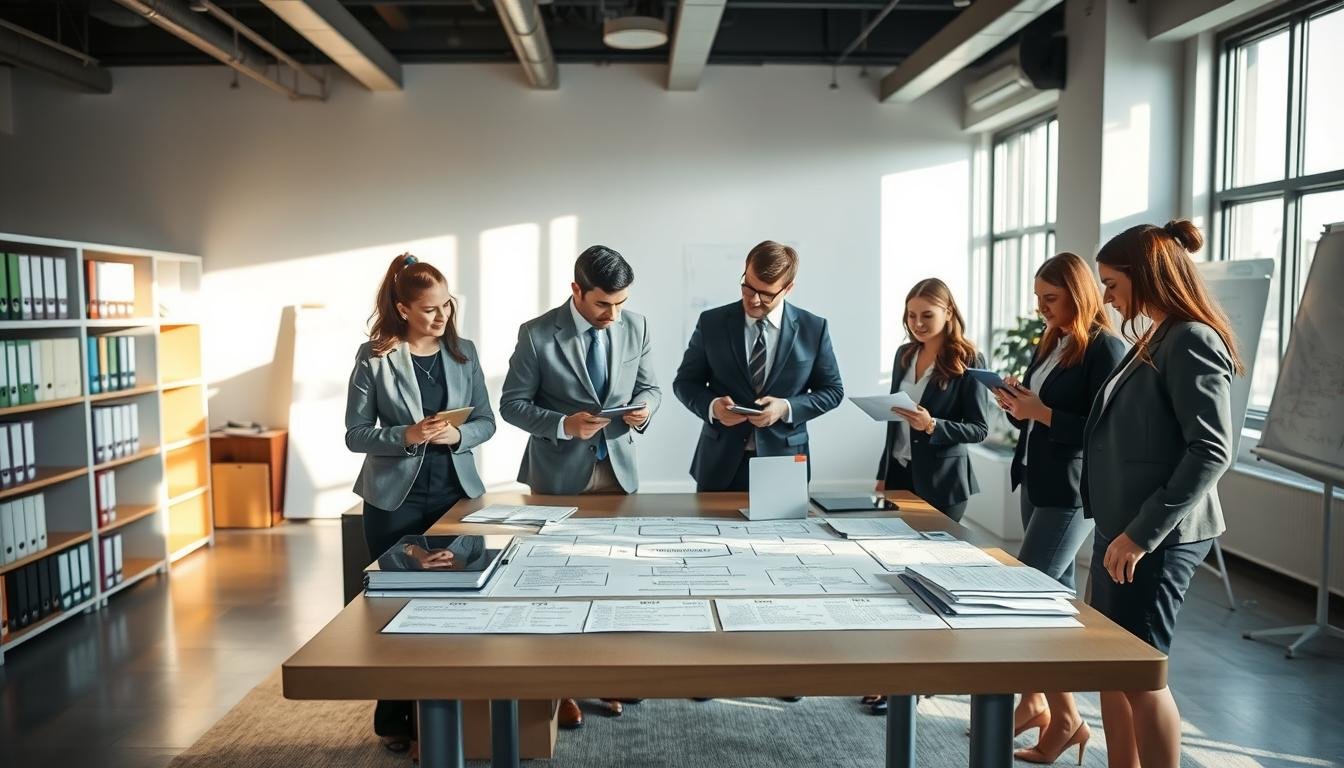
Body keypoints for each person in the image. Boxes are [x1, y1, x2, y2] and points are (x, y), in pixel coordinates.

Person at [1084, 220, 1241, 768]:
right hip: (1120, 526)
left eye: (1110, 282)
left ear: (1144, 275)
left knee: (1143, 671)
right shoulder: (1155, 333)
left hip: (1157, 535)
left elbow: (1211, 451)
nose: (1104, 294)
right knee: (1109, 664)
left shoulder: (1191, 338)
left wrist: (1140, 535)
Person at [499, 244, 660, 728]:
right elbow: (511, 404)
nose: (613, 313)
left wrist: (645, 409)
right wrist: (564, 424)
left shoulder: (638, 326)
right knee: (555, 586)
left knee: (616, 582)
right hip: (556, 478)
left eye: (621, 303)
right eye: (602, 304)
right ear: (576, 291)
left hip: (617, 473)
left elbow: (650, 387)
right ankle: (559, 687)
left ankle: (610, 674)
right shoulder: (536, 333)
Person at [345, 253, 497, 756]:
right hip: (394, 501)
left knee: (456, 603)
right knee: (395, 606)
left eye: (446, 306)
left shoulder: (464, 351)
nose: (441, 317)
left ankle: (451, 715)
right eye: (430, 309)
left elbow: (487, 424)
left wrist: (457, 434)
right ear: (403, 308)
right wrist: (406, 435)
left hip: (456, 495)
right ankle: (394, 716)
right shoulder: (374, 357)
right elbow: (355, 434)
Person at [991, 253, 1126, 763]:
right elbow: (1045, 409)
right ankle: (1039, 706)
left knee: (1025, 597)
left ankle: (1064, 716)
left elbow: (1102, 431)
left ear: (1080, 294)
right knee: (1050, 603)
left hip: (1070, 492)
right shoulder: (1055, 341)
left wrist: (1040, 411)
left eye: (1051, 298)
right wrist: (1020, 402)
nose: (1042, 308)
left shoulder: (1106, 349)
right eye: (1038, 298)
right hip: (1037, 480)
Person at [864, 277, 988, 715]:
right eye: (911, 315)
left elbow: (979, 427)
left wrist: (933, 425)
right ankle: (896, 674)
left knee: (932, 586)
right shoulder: (906, 354)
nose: (917, 323)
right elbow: (894, 419)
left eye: (926, 316)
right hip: (901, 476)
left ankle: (920, 680)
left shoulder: (967, 358)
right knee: (895, 577)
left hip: (944, 486)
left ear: (949, 313)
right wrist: (882, 473)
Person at [672, 240, 843, 492]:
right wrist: (713, 408)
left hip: (784, 462)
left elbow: (833, 391)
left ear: (788, 288)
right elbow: (685, 383)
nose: (753, 300)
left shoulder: (813, 329)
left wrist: (785, 408)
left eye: (766, 294)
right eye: (748, 287)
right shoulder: (712, 322)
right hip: (719, 462)